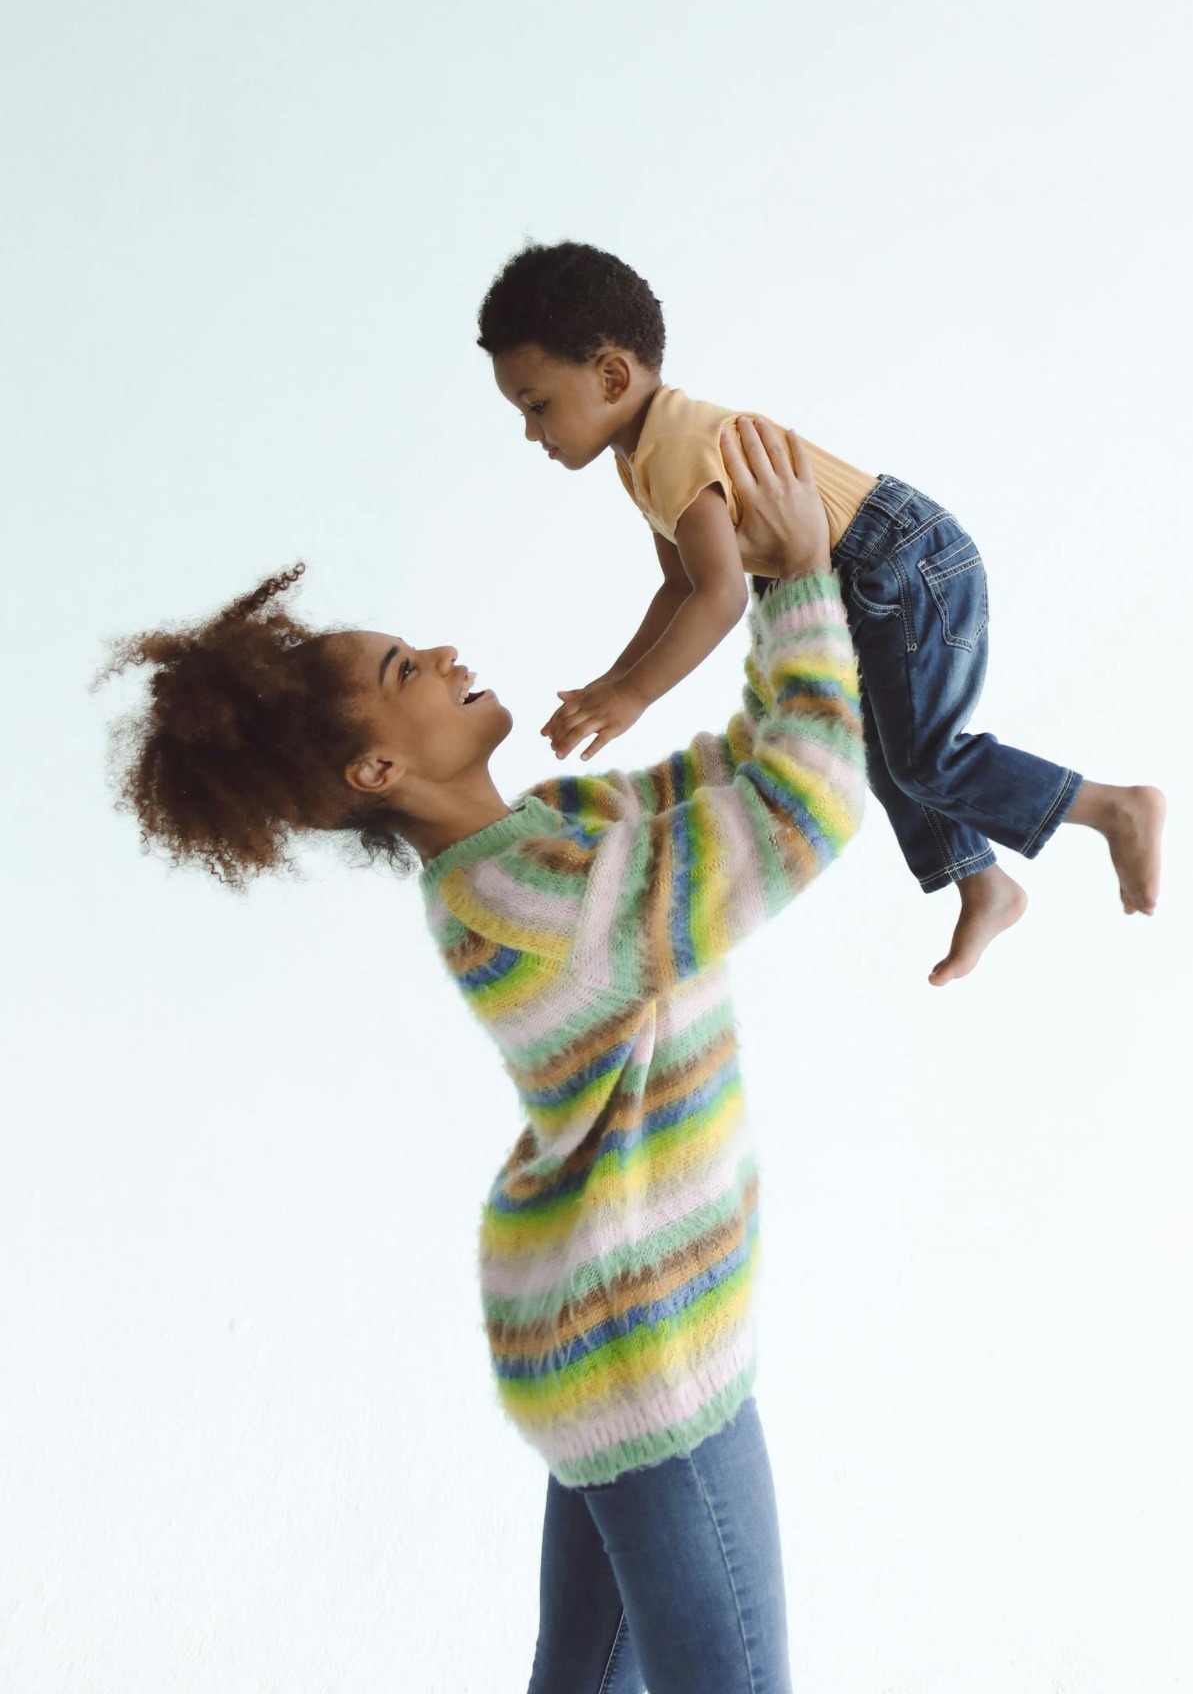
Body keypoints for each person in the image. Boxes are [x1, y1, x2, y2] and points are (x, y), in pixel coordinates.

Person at [99, 420, 864, 1694]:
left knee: (583, 1677)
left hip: (609, 1337)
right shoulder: (535, 896)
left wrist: (788, 584)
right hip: (651, 1350)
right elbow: (800, 810)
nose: (445, 653)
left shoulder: (539, 842)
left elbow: (735, 778)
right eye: (406, 666)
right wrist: (800, 591)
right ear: (378, 765)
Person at [478, 239, 1167, 987]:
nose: (532, 432)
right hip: (864, 577)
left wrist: (636, 695)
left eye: (537, 406)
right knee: (882, 751)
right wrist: (614, 682)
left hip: (901, 563)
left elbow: (719, 595)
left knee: (924, 757)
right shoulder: (640, 457)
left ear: (612, 376)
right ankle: (983, 883)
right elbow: (678, 589)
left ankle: (1112, 808)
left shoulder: (676, 447)